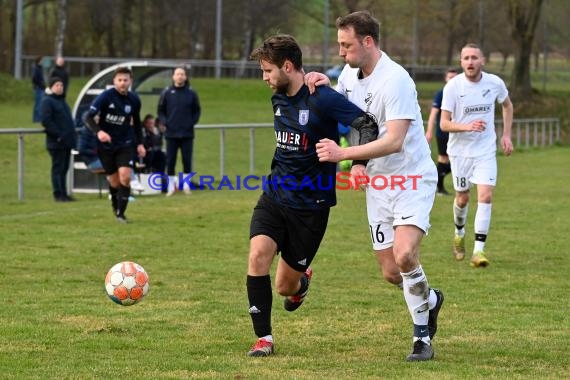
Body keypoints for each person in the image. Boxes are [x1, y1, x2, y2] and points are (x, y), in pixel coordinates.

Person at [308, 10, 444, 361]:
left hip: (412, 178)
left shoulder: (395, 80)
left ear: (367, 42)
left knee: (405, 255)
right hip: (378, 183)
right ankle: (429, 299)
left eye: (346, 45)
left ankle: (421, 338)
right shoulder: (350, 77)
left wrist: (345, 155)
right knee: (390, 272)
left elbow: (395, 140)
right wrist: (320, 85)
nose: (341, 52)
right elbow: (345, 114)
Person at [245, 34, 379, 357]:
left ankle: (301, 283)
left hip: (311, 207)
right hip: (275, 195)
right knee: (257, 256)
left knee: (284, 287)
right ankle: (264, 339)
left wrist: (358, 162)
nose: (264, 78)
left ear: (287, 66)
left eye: (267, 71)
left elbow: (367, 124)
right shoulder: (278, 96)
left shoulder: (323, 99)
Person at [440, 43, 514, 267]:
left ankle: (478, 251)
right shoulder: (453, 87)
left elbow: (508, 106)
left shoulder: (494, 83)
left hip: (485, 150)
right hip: (460, 152)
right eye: (466, 58)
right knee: (462, 198)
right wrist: (467, 126)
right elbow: (444, 124)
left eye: (474, 57)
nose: (470, 62)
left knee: (486, 196)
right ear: (461, 62)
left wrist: (507, 135)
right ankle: (459, 233)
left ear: (482, 61)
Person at [83, 67, 146, 223]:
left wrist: (140, 144)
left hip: (125, 143)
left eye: (125, 80)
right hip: (106, 146)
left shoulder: (134, 100)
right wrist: (99, 132)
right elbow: (88, 117)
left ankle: (121, 214)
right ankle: (115, 206)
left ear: (130, 81)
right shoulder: (105, 97)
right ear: (114, 81)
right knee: (114, 181)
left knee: (125, 178)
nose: (122, 83)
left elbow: (137, 124)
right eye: (119, 80)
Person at [157, 66, 201, 195]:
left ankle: (186, 186)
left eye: (182, 74)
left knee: (186, 160)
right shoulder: (167, 92)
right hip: (171, 134)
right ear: (173, 77)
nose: (180, 76)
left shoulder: (191, 93)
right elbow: (160, 111)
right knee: (170, 161)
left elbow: (197, 111)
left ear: (185, 76)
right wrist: (166, 122)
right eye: (177, 74)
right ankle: (171, 187)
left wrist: (191, 123)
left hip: (187, 133)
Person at [40, 77, 77, 202]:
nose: (60, 87)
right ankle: (58, 194)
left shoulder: (62, 101)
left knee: (64, 168)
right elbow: (46, 121)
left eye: (61, 85)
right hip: (56, 143)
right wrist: (59, 135)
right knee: (58, 168)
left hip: (66, 142)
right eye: (57, 85)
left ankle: (64, 193)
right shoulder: (47, 101)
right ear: (51, 87)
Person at [425, 68, 458, 195]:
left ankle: (436, 182)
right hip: (443, 132)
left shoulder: (461, 92)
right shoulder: (441, 93)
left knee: (455, 159)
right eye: (450, 77)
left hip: (458, 133)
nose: (452, 80)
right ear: (446, 79)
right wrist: (429, 131)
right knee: (443, 159)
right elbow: (434, 114)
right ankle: (439, 187)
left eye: (455, 77)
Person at [32, 56, 46, 123]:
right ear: (39, 61)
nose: (43, 62)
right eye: (42, 60)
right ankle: (37, 119)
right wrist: (40, 84)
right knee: (39, 104)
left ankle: (36, 118)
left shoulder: (40, 68)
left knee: (38, 103)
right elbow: (34, 78)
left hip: (40, 87)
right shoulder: (37, 68)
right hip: (39, 88)